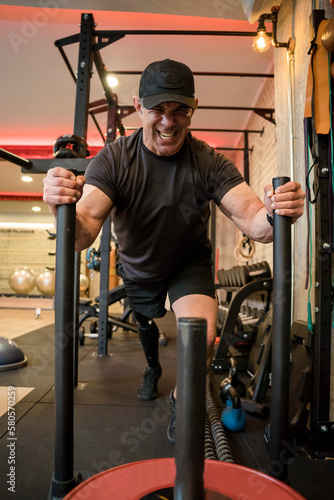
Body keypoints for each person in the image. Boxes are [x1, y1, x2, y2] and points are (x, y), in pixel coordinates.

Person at [43, 58, 305, 444]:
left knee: (200, 333)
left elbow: (254, 221)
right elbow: (81, 232)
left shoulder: (208, 161)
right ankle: (153, 369)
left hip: (188, 260)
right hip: (138, 263)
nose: (169, 121)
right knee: (146, 323)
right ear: (138, 107)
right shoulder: (114, 159)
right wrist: (59, 205)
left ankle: (184, 401)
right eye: (158, 110)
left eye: (180, 110)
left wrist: (276, 210)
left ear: (193, 107)